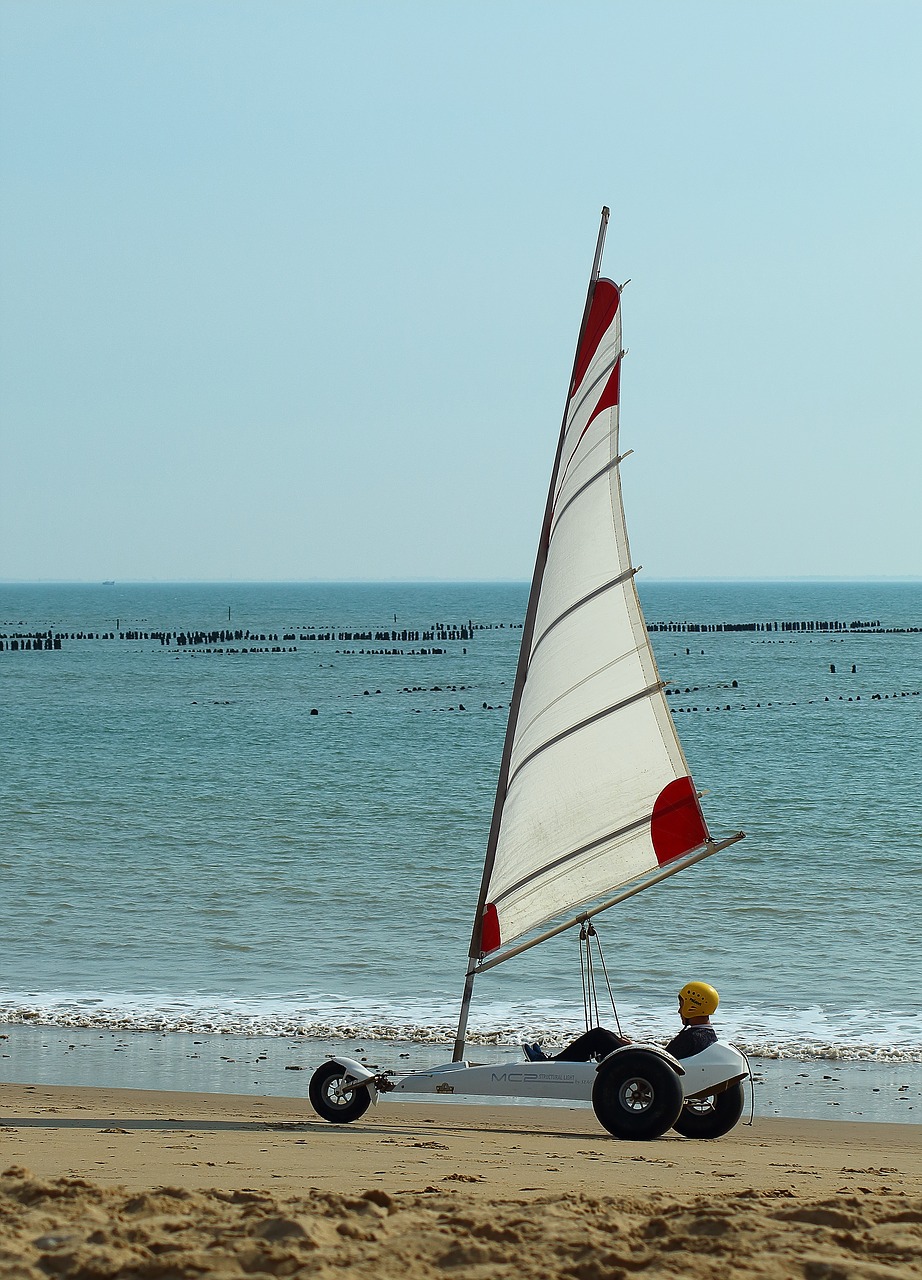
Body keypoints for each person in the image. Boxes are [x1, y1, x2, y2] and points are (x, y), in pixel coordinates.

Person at [523, 981, 720, 1063]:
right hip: (649, 1061)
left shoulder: (692, 1036)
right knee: (609, 1036)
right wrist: (636, 1045)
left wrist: (636, 1048)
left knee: (598, 1035)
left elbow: (666, 1060)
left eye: (682, 1004)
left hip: (644, 1067)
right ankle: (553, 1060)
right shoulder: (706, 1035)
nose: (679, 1010)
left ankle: (549, 1063)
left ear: (694, 1005)